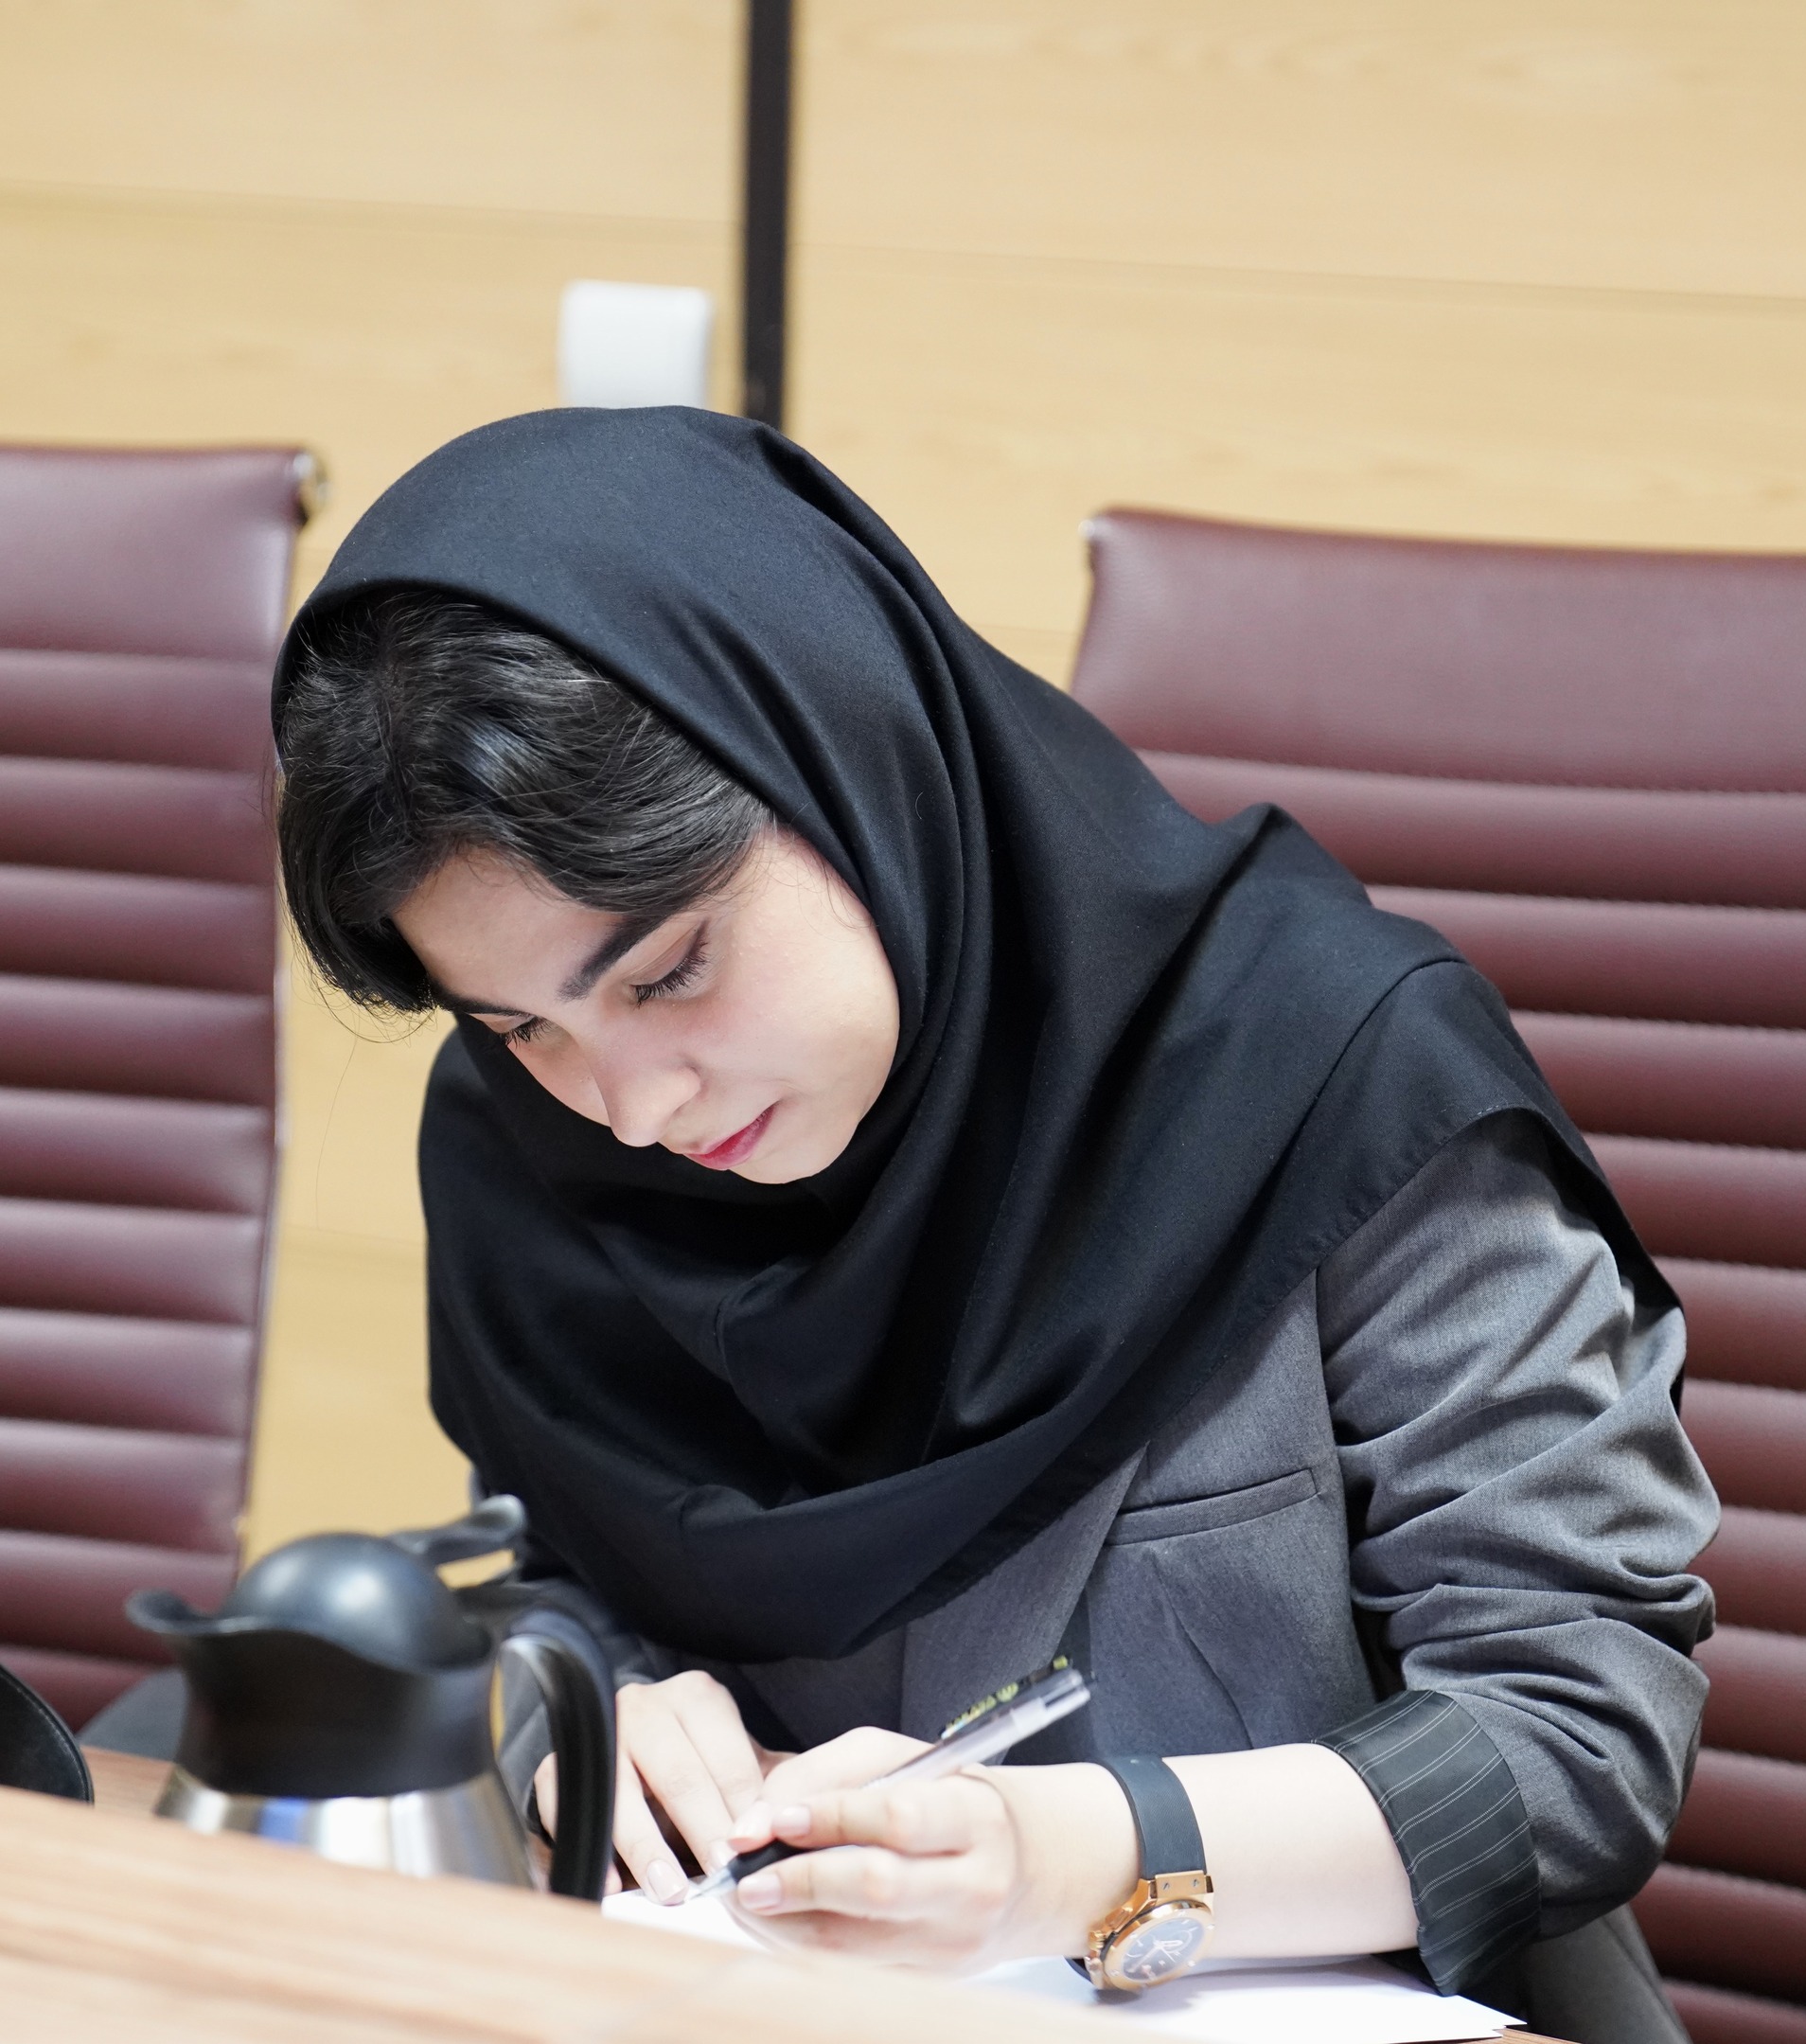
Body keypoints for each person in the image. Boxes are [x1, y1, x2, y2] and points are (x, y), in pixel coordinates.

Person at [272, 408, 1714, 2039]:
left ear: (855, 762)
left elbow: (1576, 1730)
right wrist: (593, 1712)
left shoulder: (1330, 1081)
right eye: (524, 1024)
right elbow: (554, 1567)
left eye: (670, 971)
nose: (632, 1104)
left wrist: (1071, 1860)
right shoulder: (531, 1143)